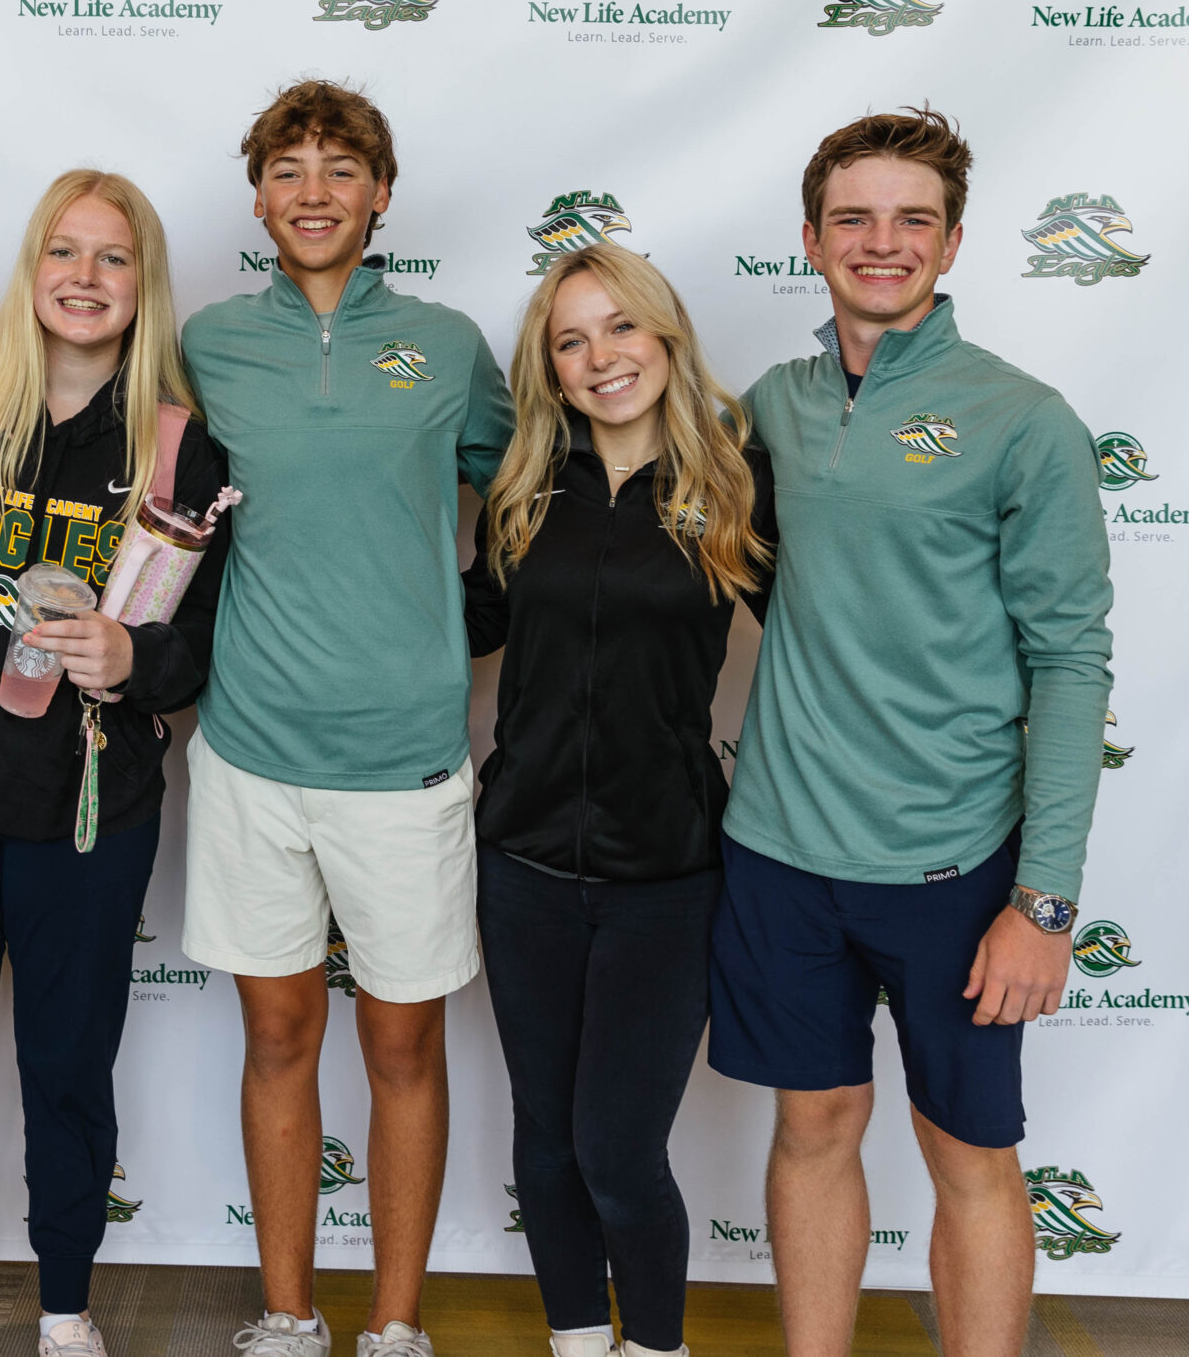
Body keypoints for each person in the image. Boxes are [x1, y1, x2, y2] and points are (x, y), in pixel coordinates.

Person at [709, 107, 1114, 1357]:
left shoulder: (1021, 417)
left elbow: (1071, 663)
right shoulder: (767, 406)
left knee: (970, 1155)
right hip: (779, 851)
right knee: (814, 1131)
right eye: (854, 219)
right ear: (810, 238)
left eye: (911, 221)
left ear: (949, 245)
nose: (880, 242)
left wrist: (1042, 902)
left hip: (954, 868)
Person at [0, 170, 230, 1357]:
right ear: (31, 268)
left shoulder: (179, 445)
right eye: (62, 252)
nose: (85, 278)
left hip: (88, 805)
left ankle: (66, 1309)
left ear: (145, 284)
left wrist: (130, 654)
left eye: (113, 259)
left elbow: (198, 649)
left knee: (69, 1066)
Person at [180, 81, 514, 1357]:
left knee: (403, 1048)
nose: (312, 191)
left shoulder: (443, 343)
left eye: (339, 168)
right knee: (276, 1037)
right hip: (253, 751)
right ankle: (283, 1314)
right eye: (287, 168)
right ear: (256, 195)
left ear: (381, 194)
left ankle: (392, 1324)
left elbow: (533, 480)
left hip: (406, 764)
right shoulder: (207, 342)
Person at [462, 244, 768, 1357]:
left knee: (616, 1149)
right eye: (571, 338)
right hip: (523, 867)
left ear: (667, 335)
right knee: (544, 1138)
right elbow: (460, 627)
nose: (601, 357)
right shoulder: (522, 494)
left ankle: (656, 1348)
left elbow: (832, 642)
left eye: (621, 327)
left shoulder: (735, 483)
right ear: (548, 367)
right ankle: (576, 1343)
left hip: (667, 878)